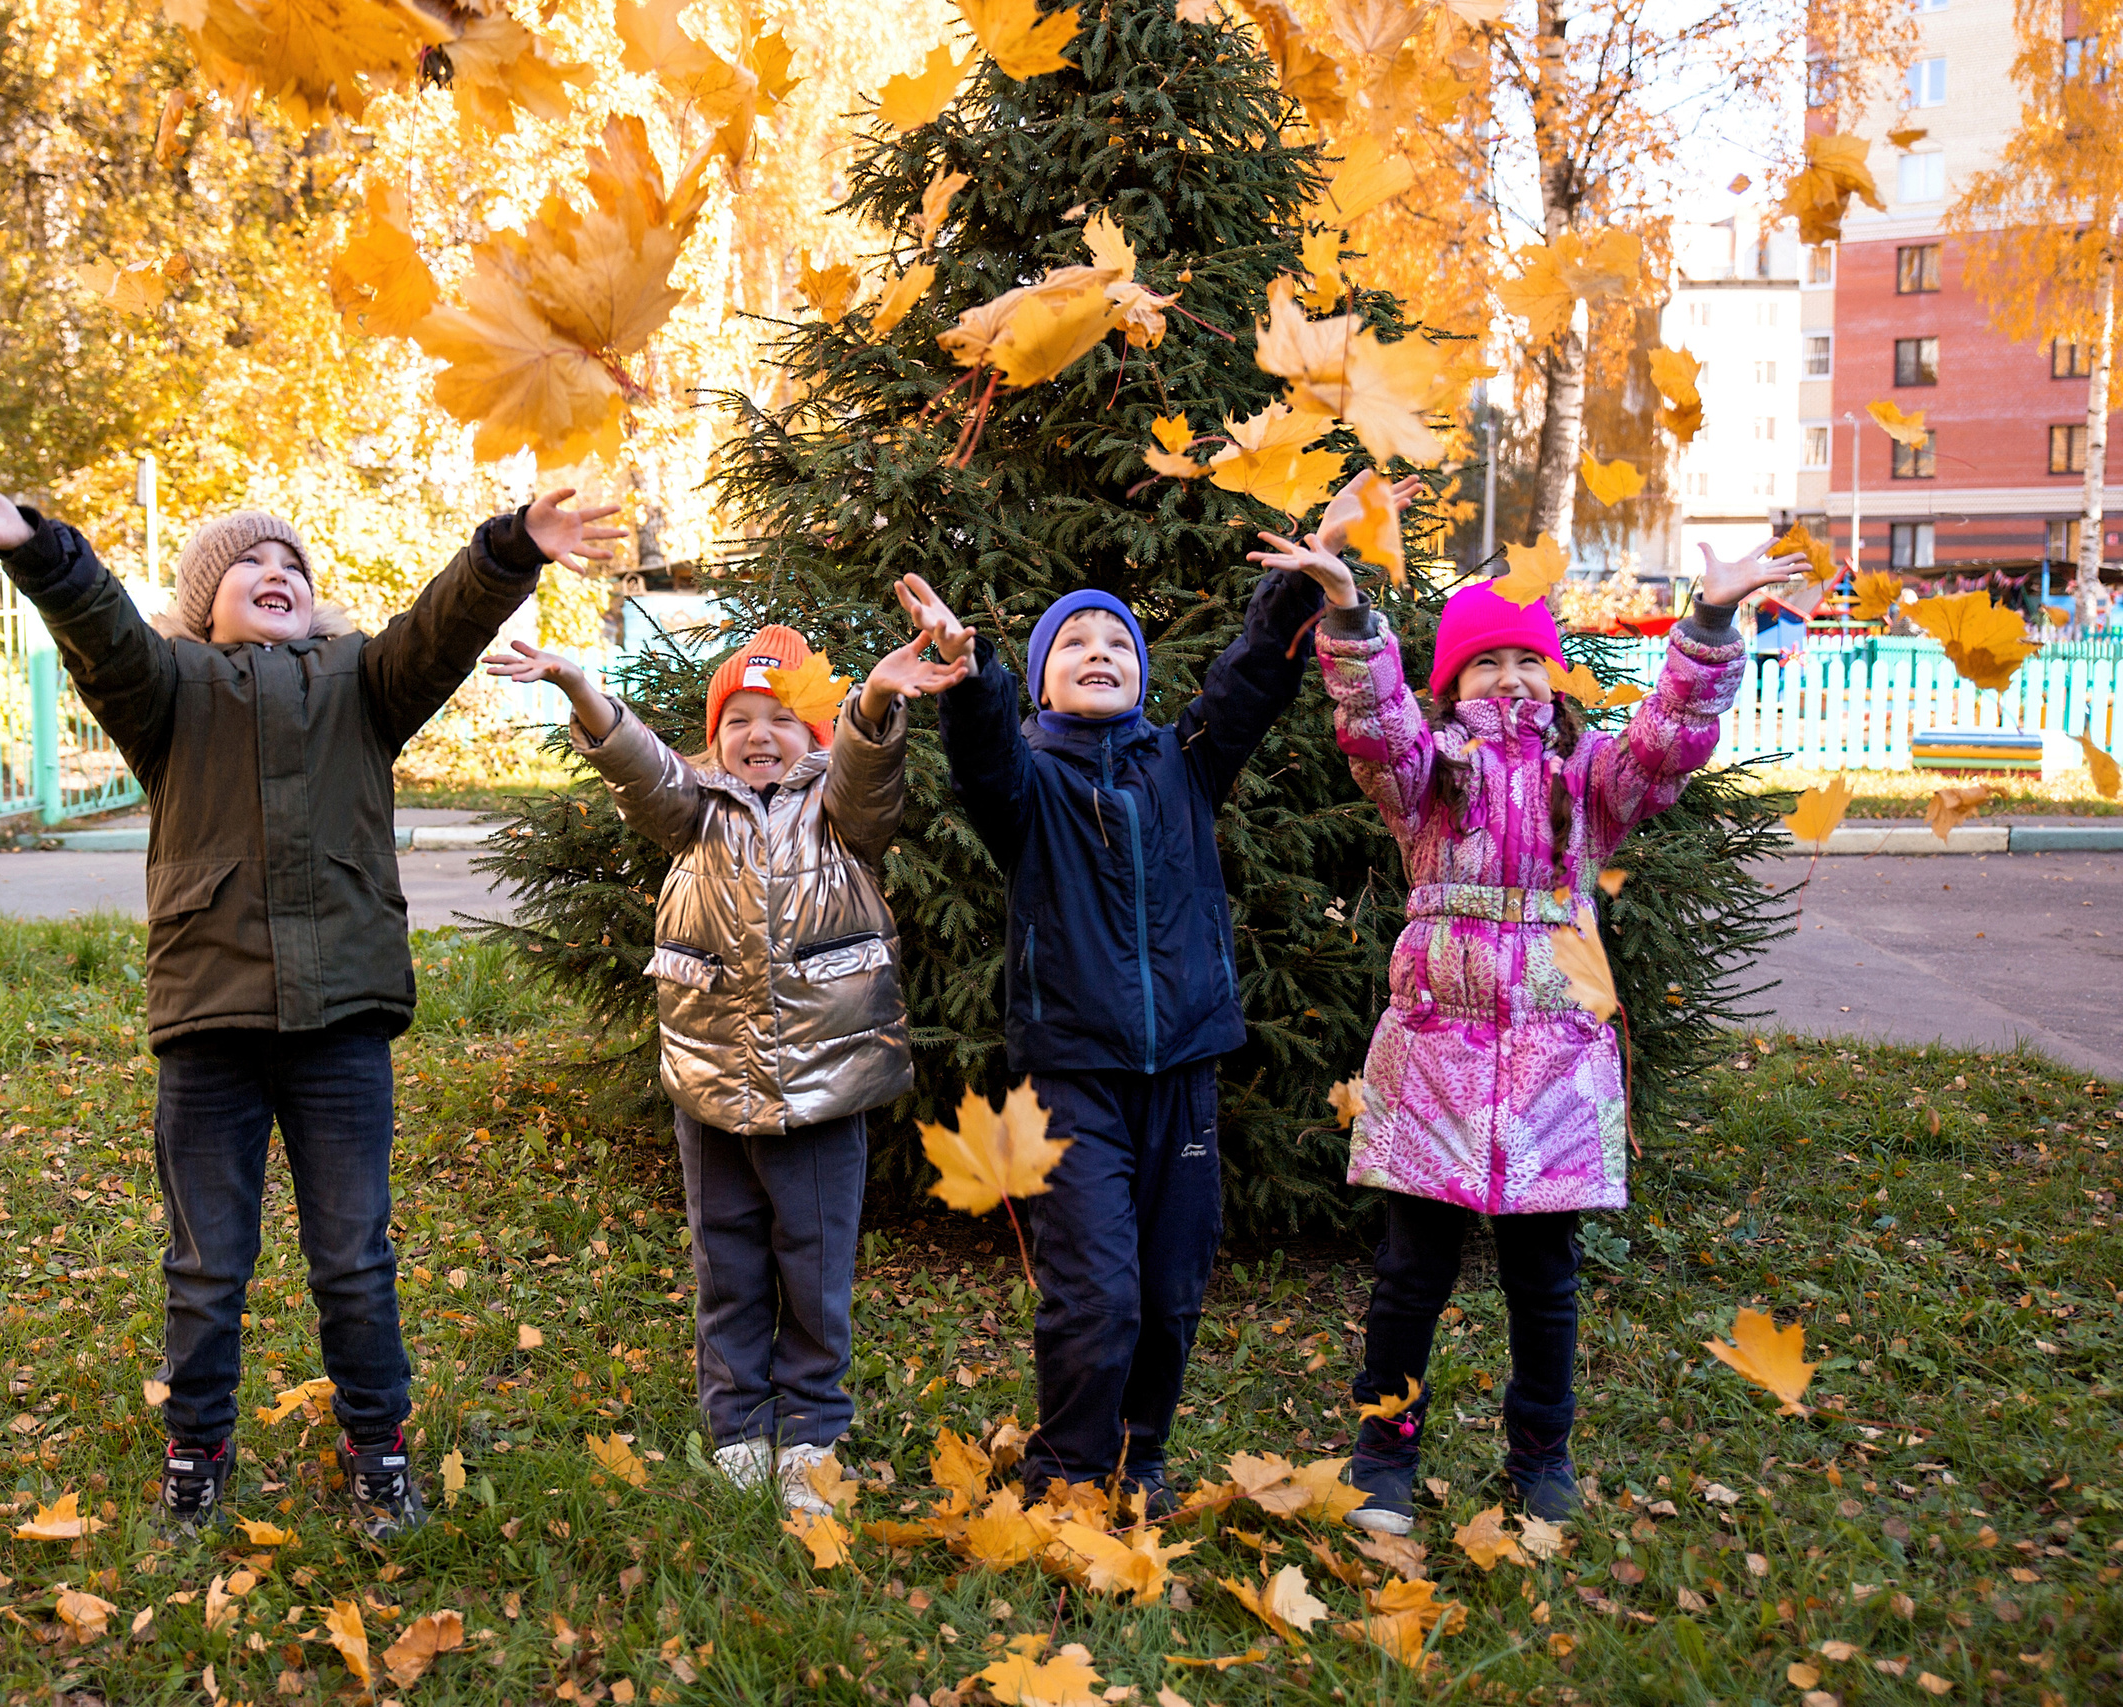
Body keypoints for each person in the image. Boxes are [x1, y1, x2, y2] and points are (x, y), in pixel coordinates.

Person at [0, 472, 624, 1540]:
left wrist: (512, 546)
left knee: (354, 1257)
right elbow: (100, 628)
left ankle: (377, 1449)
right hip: (213, 1026)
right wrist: (37, 547)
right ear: (204, 604)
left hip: (341, 1022)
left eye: (291, 562)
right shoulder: (166, 692)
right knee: (206, 1263)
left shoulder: (363, 682)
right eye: (248, 563)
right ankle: (196, 1452)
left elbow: (443, 623)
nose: (274, 573)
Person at [1257, 476, 1798, 1534]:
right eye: (1483, 664)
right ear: (1452, 684)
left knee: (1544, 1283)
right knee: (1409, 1274)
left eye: (1523, 661)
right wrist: (1350, 618)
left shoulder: (1586, 781)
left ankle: (1538, 1451)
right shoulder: (1428, 781)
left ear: (1550, 678)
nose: (1506, 681)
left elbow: (1668, 743)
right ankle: (1384, 1450)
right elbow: (1373, 726)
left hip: (1553, 1068)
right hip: (1432, 1061)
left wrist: (1708, 625)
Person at [908, 523, 1351, 1512]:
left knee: (1169, 1291)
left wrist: (1303, 587)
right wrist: (967, 671)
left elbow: (1247, 685)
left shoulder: (1181, 764)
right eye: (1073, 644)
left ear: (1141, 677)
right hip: (1072, 1075)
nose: (1098, 652)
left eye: (1115, 643)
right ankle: (1067, 1470)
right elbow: (982, 761)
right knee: (1097, 1293)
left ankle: (1135, 1459)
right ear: (1041, 682)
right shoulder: (1029, 783)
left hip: (1183, 1073)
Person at [486, 620, 965, 1512]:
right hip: (709, 1088)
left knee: (814, 1270)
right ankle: (740, 1424)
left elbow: (871, 776)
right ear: (713, 738)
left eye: (781, 718)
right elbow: (638, 765)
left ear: (814, 735)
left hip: (820, 1093)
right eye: (738, 717)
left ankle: (812, 1431)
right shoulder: (694, 811)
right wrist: (582, 690)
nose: (757, 734)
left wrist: (873, 703)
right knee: (728, 1264)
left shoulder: (839, 813)